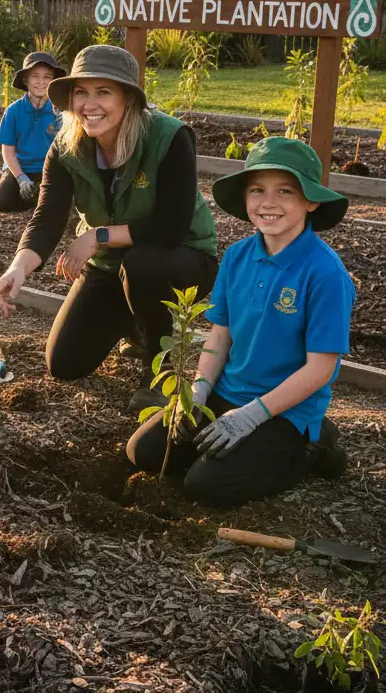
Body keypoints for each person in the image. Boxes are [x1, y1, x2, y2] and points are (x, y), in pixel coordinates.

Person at [0, 44, 218, 409]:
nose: (89, 104)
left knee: (141, 263)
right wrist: (18, 268)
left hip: (181, 258)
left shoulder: (169, 138)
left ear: (128, 98)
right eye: (81, 92)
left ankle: (159, 371)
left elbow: (171, 227)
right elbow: (47, 216)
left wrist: (97, 236)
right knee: (64, 363)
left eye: (103, 91)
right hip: (113, 265)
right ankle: (135, 321)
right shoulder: (65, 147)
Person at [126, 138, 353, 506]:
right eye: (257, 190)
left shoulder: (325, 273)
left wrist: (250, 417)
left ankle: (312, 447)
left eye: (286, 191)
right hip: (228, 392)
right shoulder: (237, 256)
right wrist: (198, 392)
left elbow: (321, 369)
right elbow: (220, 335)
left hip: (286, 409)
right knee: (145, 452)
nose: (268, 202)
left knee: (205, 486)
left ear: (311, 201)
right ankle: (241, 446)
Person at [0, 51, 65, 214]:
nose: (41, 82)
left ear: (53, 81)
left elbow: (69, 149)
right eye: (35, 76)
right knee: (1, 203)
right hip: (19, 168)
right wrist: (21, 178)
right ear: (25, 80)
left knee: (53, 206)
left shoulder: (60, 112)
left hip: (49, 170)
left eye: (47, 77)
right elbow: (8, 152)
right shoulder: (13, 111)